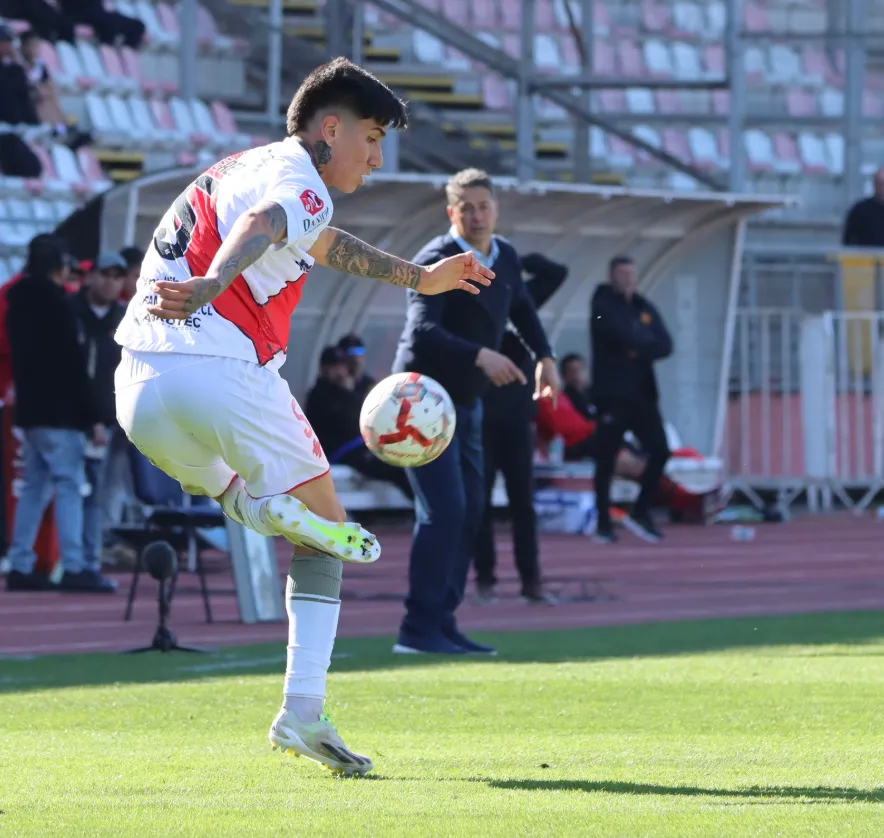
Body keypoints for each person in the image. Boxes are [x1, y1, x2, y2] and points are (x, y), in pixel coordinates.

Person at [113, 58, 493, 777]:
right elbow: (270, 223)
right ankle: (302, 709)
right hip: (222, 372)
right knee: (332, 535)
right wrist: (212, 284)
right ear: (329, 128)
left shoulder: (245, 166)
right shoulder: (299, 184)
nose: (377, 157)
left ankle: (257, 508)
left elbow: (321, 244)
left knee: (241, 496)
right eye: (372, 137)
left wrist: (420, 278)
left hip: (139, 388)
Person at [392, 167, 559, 656]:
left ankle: (443, 622)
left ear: (496, 209)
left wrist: (545, 358)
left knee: (469, 512)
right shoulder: (435, 259)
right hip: (419, 402)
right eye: (467, 207)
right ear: (452, 213)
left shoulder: (504, 256)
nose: (478, 215)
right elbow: (422, 331)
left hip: (465, 404)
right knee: (444, 510)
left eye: (484, 206)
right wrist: (478, 354)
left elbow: (523, 309)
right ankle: (416, 629)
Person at [4, 234, 114, 593]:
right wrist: (91, 417)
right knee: (69, 485)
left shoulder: (16, 301)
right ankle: (75, 565)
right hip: (61, 413)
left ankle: (20, 563)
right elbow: (72, 365)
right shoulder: (60, 307)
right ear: (59, 265)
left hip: (31, 409)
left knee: (34, 487)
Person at [473, 252, 567, 606]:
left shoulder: (520, 298)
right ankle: (485, 580)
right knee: (480, 503)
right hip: (482, 413)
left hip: (517, 416)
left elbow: (557, 271)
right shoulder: (471, 301)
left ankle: (532, 581)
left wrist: (512, 259)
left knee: (522, 503)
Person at [536, 354, 719, 524]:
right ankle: (685, 501)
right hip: (582, 448)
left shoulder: (574, 396)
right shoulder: (547, 401)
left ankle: (683, 501)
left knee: (643, 461)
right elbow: (558, 432)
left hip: (596, 442)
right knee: (634, 465)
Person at [590, 255, 673, 544]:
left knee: (661, 451)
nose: (627, 280)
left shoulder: (643, 306)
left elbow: (665, 343)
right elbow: (614, 332)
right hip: (612, 395)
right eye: (622, 274)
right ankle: (602, 522)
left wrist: (639, 347)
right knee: (606, 459)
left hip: (643, 395)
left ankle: (641, 509)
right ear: (612, 277)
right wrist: (640, 341)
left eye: (631, 274)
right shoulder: (601, 304)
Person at [71, 252, 126, 578]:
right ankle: (70, 561)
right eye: (104, 273)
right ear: (91, 276)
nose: (110, 280)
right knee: (69, 492)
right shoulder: (70, 314)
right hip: (72, 419)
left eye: (117, 275)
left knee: (99, 494)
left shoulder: (124, 319)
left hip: (110, 422)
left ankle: (89, 558)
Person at [305, 345, 413, 501]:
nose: (339, 371)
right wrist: (347, 393)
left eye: (341, 366)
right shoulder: (318, 394)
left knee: (401, 458)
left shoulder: (352, 388)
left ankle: (422, 504)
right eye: (333, 367)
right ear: (323, 369)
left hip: (361, 446)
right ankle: (420, 506)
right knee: (391, 466)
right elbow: (344, 422)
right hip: (340, 451)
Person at [842, 169, 884, 248]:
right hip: (865, 258)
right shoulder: (860, 210)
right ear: (874, 184)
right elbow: (847, 241)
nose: (882, 187)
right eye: (880, 183)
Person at [337, 333, 376, 402]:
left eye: (360, 351)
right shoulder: (333, 385)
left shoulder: (370, 385)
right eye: (351, 353)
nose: (356, 358)